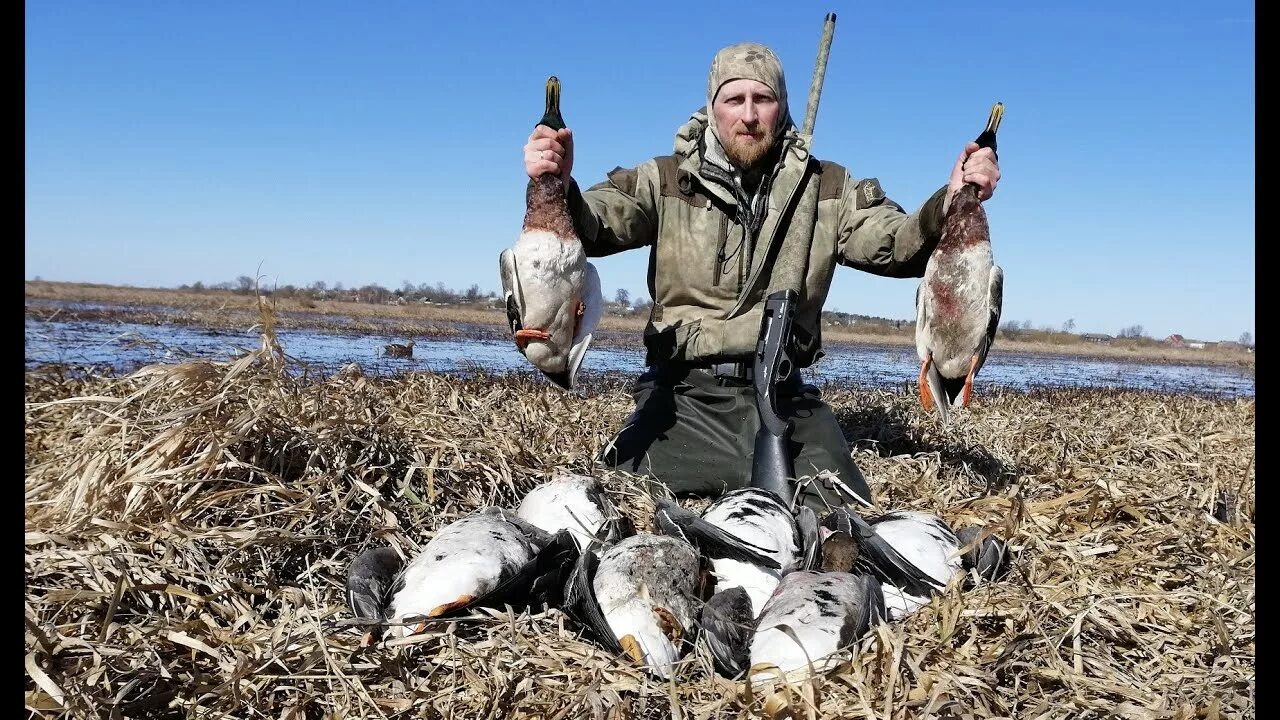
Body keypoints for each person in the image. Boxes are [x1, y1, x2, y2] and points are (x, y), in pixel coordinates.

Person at [521, 42, 1001, 511]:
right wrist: (560, 188)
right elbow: (598, 226)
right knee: (624, 508)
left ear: (782, 107)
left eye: (762, 99)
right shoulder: (663, 180)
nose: (748, 114)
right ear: (712, 109)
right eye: (734, 99)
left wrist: (950, 201)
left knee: (841, 513)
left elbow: (896, 245)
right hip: (683, 392)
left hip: (783, 394)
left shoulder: (828, 187)